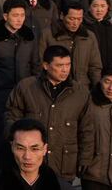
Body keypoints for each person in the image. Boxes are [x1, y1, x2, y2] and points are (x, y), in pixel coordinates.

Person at [5, 45, 92, 182]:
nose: (65, 70)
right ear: (46, 65)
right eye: (59, 65)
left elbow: (87, 129)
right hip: (31, 164)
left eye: (68, 65)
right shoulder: (26, 87)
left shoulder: (81, 93)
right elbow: (11, 118)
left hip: (64, 164)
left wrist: (85, 158)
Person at [0, 0, 40, 168]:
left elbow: (36, 66)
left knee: (25, 138)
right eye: (15, 15)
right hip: (1, 94)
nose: (19, 19)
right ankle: (1, 175)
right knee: (3, 137)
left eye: (22, 15)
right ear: (5, 16)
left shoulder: (29, 36)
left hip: (27, 94)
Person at [38, 2, 102, 89]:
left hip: (81, 87)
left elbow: (95, 66)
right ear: (62, 16)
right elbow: (40, 63)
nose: (75, 23)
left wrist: (97, 88)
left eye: (79, 19)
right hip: (54, 86)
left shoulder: (89, 37)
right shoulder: (47, 35)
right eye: (72, 19)